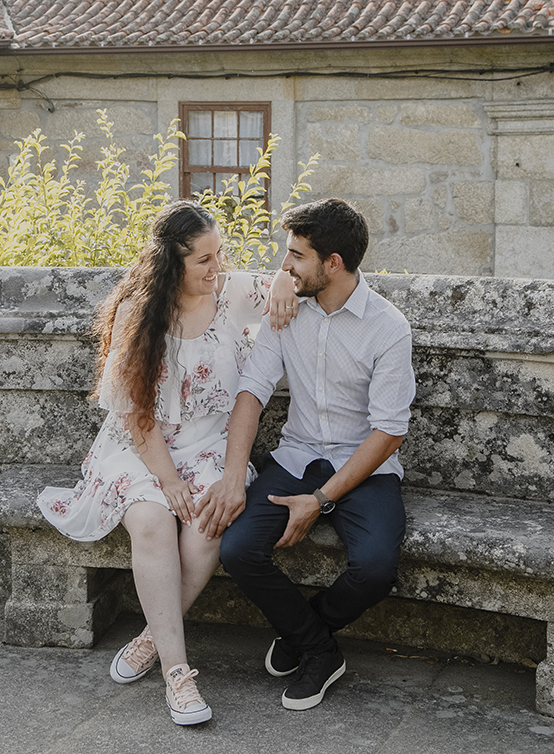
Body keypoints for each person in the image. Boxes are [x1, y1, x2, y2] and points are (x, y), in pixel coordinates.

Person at [36, 200, 297, 726]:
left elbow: (281, 283)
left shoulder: (229, 292)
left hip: (209, 444)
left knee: (207, 522)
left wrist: (285, 282)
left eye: (219, 254)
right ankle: (178, 675)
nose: (216, 267)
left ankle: (153, 636)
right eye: (203, 259)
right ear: (171, 263)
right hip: (142, 448)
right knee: (154, 519)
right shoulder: (141, 313)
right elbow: (136, 414)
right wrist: (168, 479)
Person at [196, 197, 416, 712]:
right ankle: (319, 649)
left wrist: (319, 499)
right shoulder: (287, 306)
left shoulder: (388, 327)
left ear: (332, 263)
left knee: (377, 567)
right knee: (236, 550)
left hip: (364, 464)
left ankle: (304, 631)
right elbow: (252, 392)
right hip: (296, 455)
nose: (285, 265)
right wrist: (233, 478)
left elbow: (388, 432)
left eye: (295, 255)